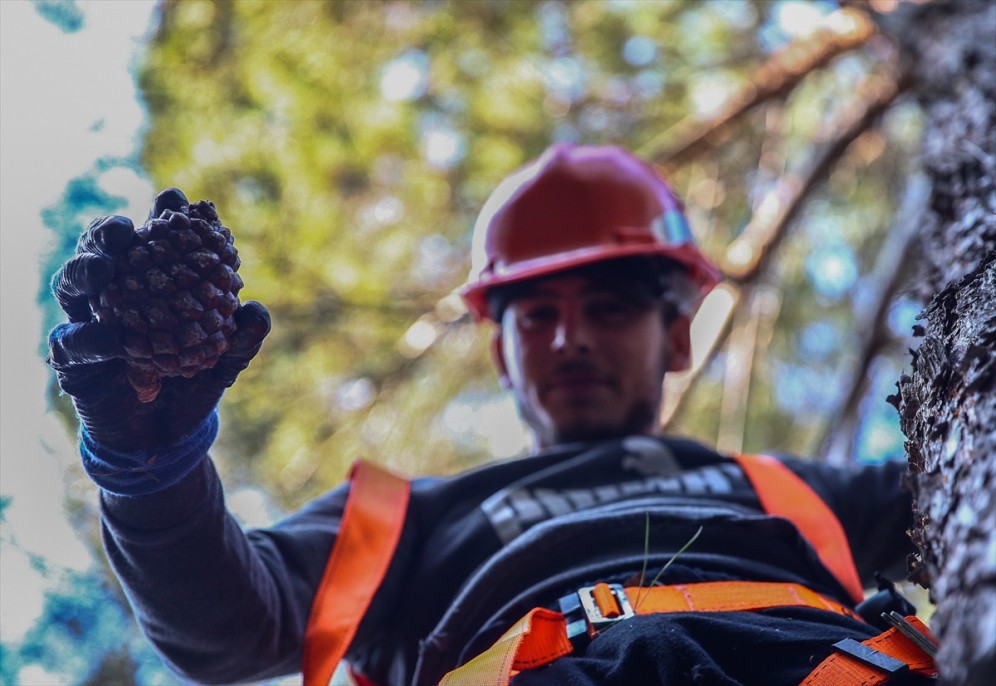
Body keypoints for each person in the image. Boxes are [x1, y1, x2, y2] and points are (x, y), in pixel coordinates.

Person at [48, 143, 936, 686]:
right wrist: (149, 469)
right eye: (537, 317)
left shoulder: (788, 489)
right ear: (502, 356)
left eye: (613, 307)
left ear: (675, 340)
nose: (570, 340)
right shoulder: (410, 521)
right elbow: (228, 633)